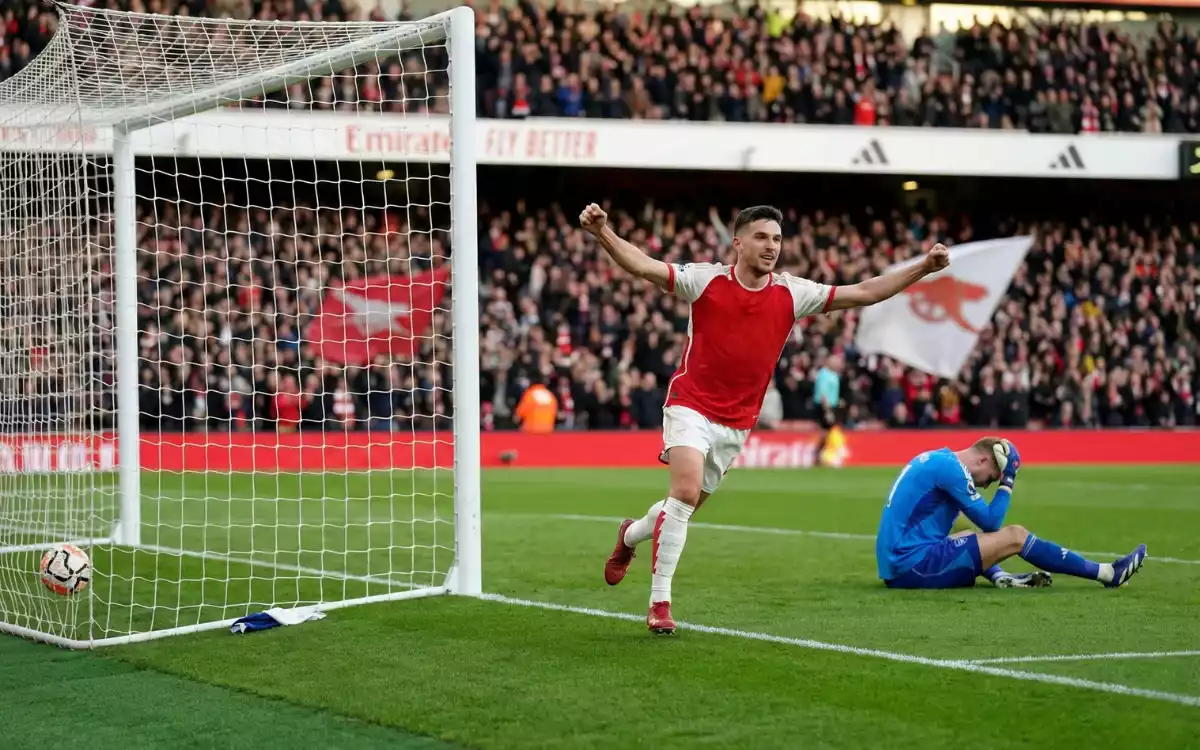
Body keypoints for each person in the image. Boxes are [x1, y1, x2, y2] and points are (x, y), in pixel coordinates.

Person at [580, 202, 951, 635]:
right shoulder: (705, 280)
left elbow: (864, 291)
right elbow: (643, 265)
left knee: (680, 508)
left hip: (736, 423)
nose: (771, 246)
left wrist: (923, 267)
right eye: (761, 237)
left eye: (776, 239)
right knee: (682, 493)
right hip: (689, 404)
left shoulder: (793, 292)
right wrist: (603, 232)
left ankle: (629, 537)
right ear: (737, 243)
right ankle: (659, 602)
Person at [876, 437, 1147, 590]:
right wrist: (1009, 479)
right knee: (1015, 536)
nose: (985, 485)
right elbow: (993, 522)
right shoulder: (952, 470)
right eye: (991, 477)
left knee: (968, 534)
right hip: (911, 567)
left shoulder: (936, 458)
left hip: (899, 564)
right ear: (983, 459)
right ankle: (1107, 574)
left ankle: (1000, 577)